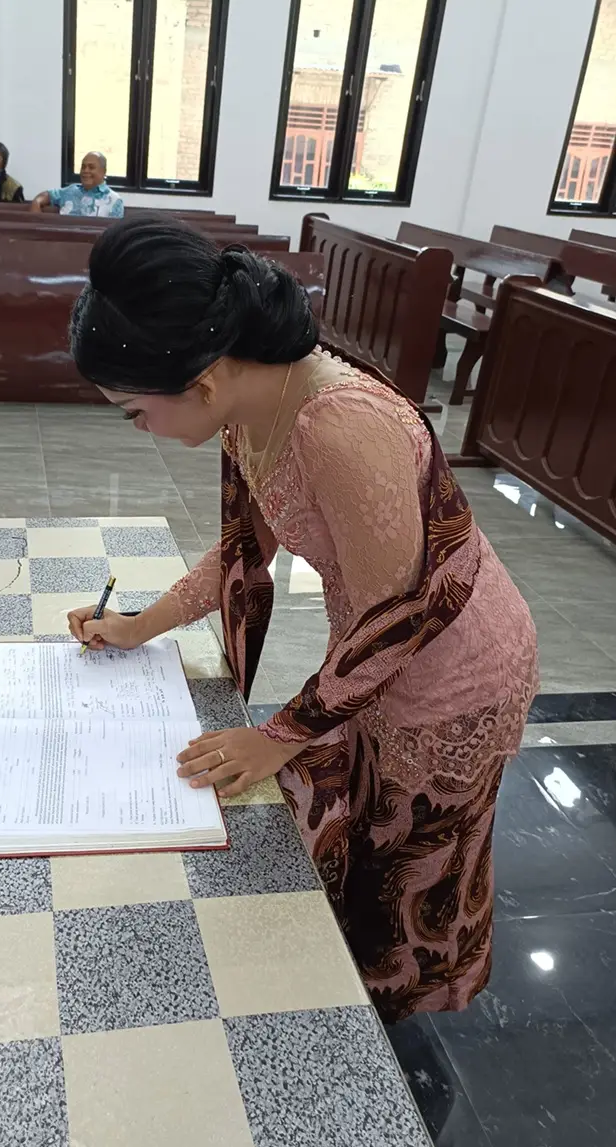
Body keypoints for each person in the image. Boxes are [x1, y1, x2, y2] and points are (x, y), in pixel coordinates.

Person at [66, 218, 538, 1024]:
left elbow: (398, 618)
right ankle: (351, 989)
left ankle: (393, 1018)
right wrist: (140, 627)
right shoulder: (253, 399)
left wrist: (278, 734)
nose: (141, 429)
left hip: (452, 670)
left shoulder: (341, 427)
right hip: (373, 657)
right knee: (364, 830)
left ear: (202, 380)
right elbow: (243, 551)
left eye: (134, 412)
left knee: (414, 861)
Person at [30, 151, 124, 218]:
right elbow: (45, 196)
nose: (85, 171)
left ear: (103, 171)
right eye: (83, 167)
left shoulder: (115, 201)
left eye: (91, 167)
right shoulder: (70, 191)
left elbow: (114, 235)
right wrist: (36, 204)